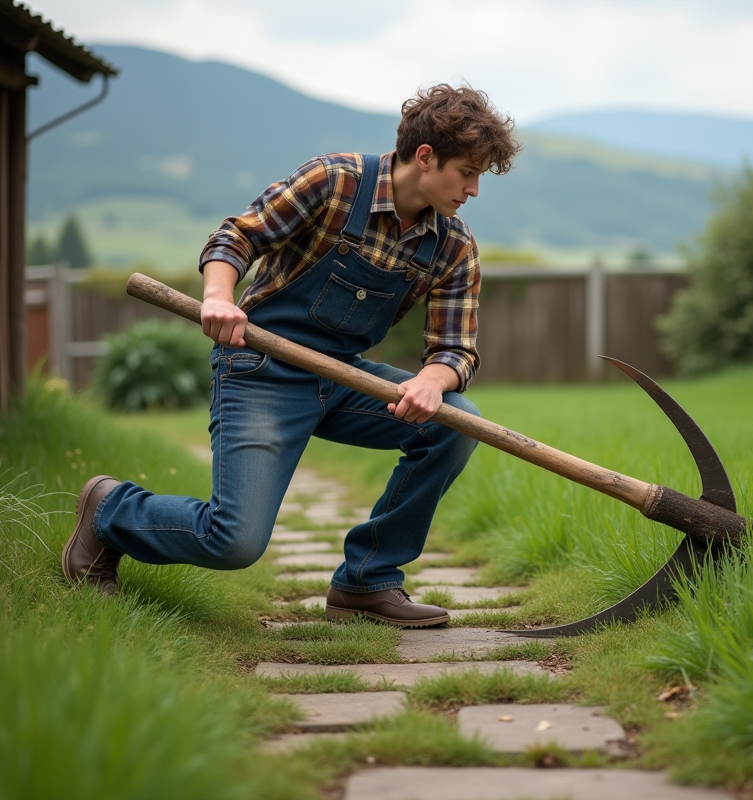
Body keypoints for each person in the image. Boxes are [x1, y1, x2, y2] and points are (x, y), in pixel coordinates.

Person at [61, 84, 521, 627]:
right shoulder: (335, 182)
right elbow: (236, 237)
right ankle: (110, 511)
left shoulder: (453, 245)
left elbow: (455, 349)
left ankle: (367, 581)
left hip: (343, 382)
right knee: (232, 542)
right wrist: (218, 297)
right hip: (262, 373)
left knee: (457, 422)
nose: (472, 189)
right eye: (467, 172)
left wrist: (434, 381)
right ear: (425, 157)